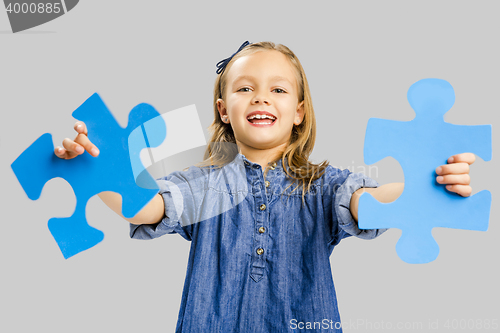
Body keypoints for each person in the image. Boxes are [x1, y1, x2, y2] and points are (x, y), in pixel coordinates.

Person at [54, 41, 476, 332]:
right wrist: (94, 171)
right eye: (244, 88)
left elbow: (368, 205)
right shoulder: (203, 184)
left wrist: (427, 184)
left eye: (277, 89)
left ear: (298, 111)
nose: (260, 97)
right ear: (223, 109)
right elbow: (147, 208)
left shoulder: (324, 185)